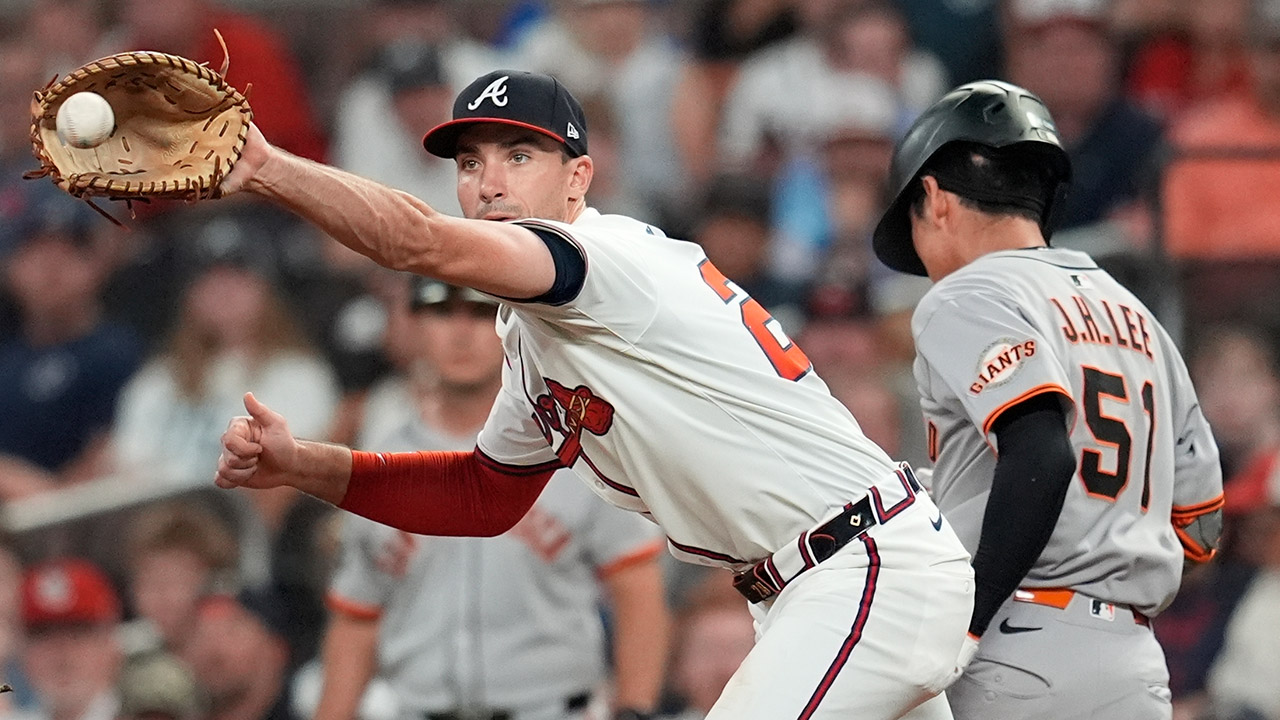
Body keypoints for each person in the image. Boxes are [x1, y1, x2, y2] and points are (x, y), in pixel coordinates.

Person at [212, 69, 976, 720]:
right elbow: (482, 496)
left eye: (520, 154)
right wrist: (300, 464)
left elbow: (417, 242)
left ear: (578, 176)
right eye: (470, 163)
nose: (490, 181)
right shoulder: (537, 336)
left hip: (860, 567)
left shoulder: (597, 260)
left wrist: (270, 168)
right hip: (826, 581)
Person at [871, 79, 1226, 719]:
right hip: (1134, 665)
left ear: (934, 197)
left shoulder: (967, 294)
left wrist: (970, 622)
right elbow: (1198, 525)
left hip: (1015, 648)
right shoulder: (1136, 314)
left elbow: (1042, 451)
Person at [305, 276, 670, 720]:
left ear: (515, 323)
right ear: (414, 325)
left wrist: (634, 709)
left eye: (482, 312)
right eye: (442, 312)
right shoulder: (380, 460)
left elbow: (636, 590)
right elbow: (357, 616)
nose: (462, 333)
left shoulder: (570, 448)